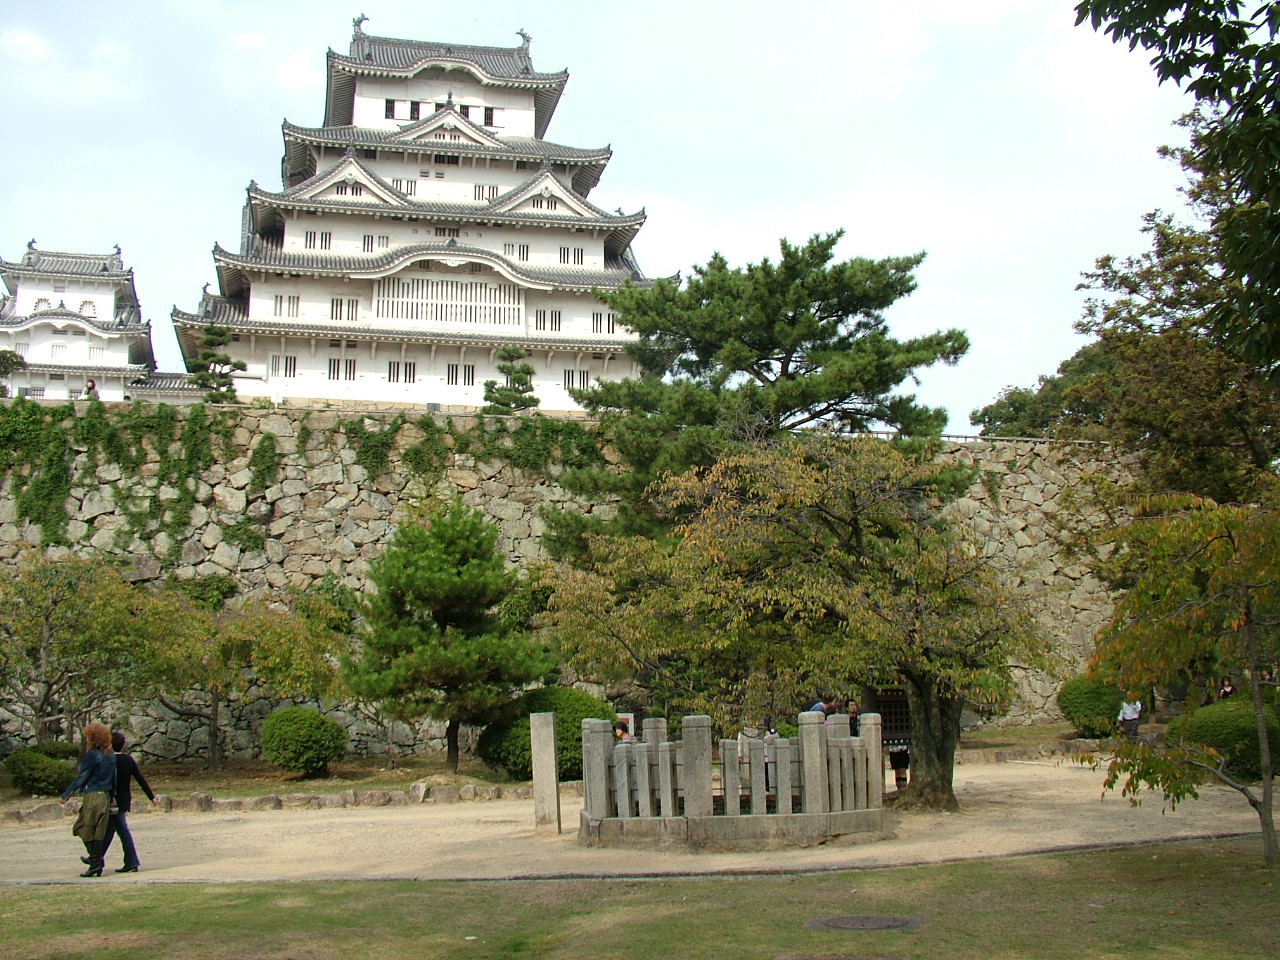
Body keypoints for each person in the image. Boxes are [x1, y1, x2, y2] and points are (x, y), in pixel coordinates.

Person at [58, 722, 116, 878]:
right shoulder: (110, 754)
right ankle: (96, 861)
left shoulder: (92, 755)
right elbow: (113, 778)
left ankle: (95, 862)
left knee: (83, 827)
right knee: (99, 830)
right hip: (105, 796)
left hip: (92, 795)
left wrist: (66, 794)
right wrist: (113, 797)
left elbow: (82, 776)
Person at [100, 731, 156, 874]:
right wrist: (151, 796)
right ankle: (96, 857)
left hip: (113, 800)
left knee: (121, 830)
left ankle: (131, 861)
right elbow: (140, 778)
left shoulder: (109, 760)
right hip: (124, 799)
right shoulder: (128, 760)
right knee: (110, 830)